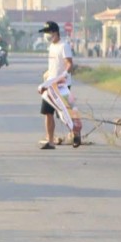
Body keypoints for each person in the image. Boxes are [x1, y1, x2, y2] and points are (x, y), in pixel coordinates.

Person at [38, 20, 78, 149]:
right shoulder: (52, 46)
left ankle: (76, 134)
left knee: (65, 113)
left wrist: (65, 74)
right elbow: (54, 65)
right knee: (47, 113)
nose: (46, 36)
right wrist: (48, 74)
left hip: (62, 85)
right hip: (50, 84)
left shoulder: (64, 45)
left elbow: (69, 64)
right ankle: (50, 141)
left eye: (47, 33)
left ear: (55, 32)